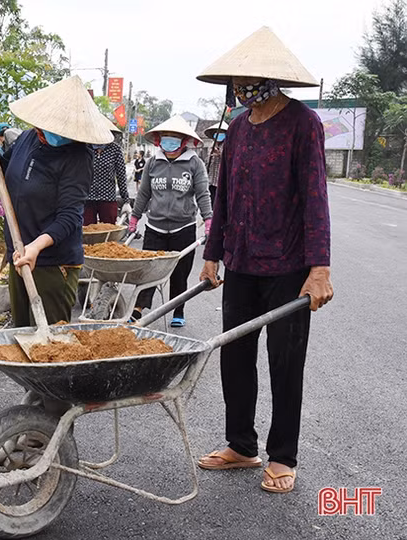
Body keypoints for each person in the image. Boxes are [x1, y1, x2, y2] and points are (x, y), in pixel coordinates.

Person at [196, 26, 334, 494]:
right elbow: (226, 197)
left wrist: (319, 269)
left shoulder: (303, 124)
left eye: (247, 78)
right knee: (235, 354)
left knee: (285, 360)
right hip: (242, 260)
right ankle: (242, 445)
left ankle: (283, 455)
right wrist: (212, 256)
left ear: (272, 79)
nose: (240, 87)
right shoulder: (236, 126)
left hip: (290, 264)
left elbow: (316, 197)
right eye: (235, 80)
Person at [0, 75, 113, 327]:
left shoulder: (78, 155)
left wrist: (36, 247)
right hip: (19, 253)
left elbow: (69, 216)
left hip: (53, 265)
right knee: (22, 337)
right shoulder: (27, 138)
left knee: (50, 348)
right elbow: (2, 177)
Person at [128, 115, 213, 327]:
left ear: (184, 141)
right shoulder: (152, 163)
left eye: (175, 138)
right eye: (166, 138)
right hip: (154, 226)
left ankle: (178, 310)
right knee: (148, 269)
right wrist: (135, 217)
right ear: (158, 140)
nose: (170, 142)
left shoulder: (195, 163)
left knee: (179, 273)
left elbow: (202, 194)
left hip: (183, 227)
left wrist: (208, 219)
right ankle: (138, 309)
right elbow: (144, 193)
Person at [85, 128, 129, 225]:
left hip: (107, 198)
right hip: (86, 198)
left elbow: (121, 176)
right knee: (87, 232)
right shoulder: (85, 148)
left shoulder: (115, 149)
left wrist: (126, 199)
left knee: (109, 231)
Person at [204, 120, 228, 202]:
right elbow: (207, 162)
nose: (218, 135)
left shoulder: (228, 145)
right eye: (216, 133)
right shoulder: (211, 145)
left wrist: (220, 154)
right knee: (211, 201)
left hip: (222, 181)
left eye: (221, 133)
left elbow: (230, 160)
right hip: (211, 180)